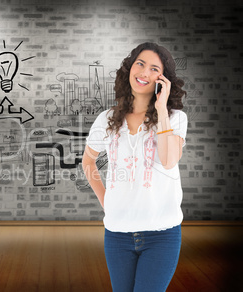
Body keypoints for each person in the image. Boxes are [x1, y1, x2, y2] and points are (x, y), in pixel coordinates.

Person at [82, 42, 188, 292]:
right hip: (117, 235)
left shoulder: (175, 119)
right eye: (140, 64)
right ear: (129, 68)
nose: (144, 72)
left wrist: (161, 109)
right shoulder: (106, 119)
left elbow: (169, 160)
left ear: (163, 80)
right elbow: (88, 160)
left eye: (154, 69)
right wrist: (106, 200)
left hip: (161, 235)